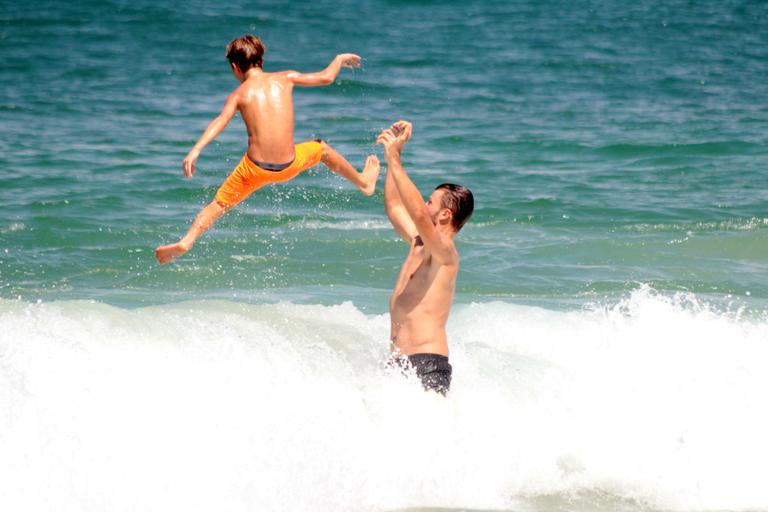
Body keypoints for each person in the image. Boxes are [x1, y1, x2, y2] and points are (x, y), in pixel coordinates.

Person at [155, 35, 380, 264]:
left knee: (218, 205)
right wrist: (339, 59)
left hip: (254, 170)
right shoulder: (286, 77)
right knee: (321, 149)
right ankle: (363, 182)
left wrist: (196, 150)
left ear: (235, 67)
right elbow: (326, 78)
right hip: (289, 165)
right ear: (261, 61)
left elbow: (220, 121)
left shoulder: (238, 95)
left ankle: (187, 240)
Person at [376, 120, 474, 395]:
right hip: (398, 363)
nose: (425, 204)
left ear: (445, 214)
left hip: (427, 364)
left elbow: (418, 213)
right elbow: (396, 207)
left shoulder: (446, 253)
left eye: (431, 201)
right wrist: (395, 158)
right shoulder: (419, 242)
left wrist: (394, 159)